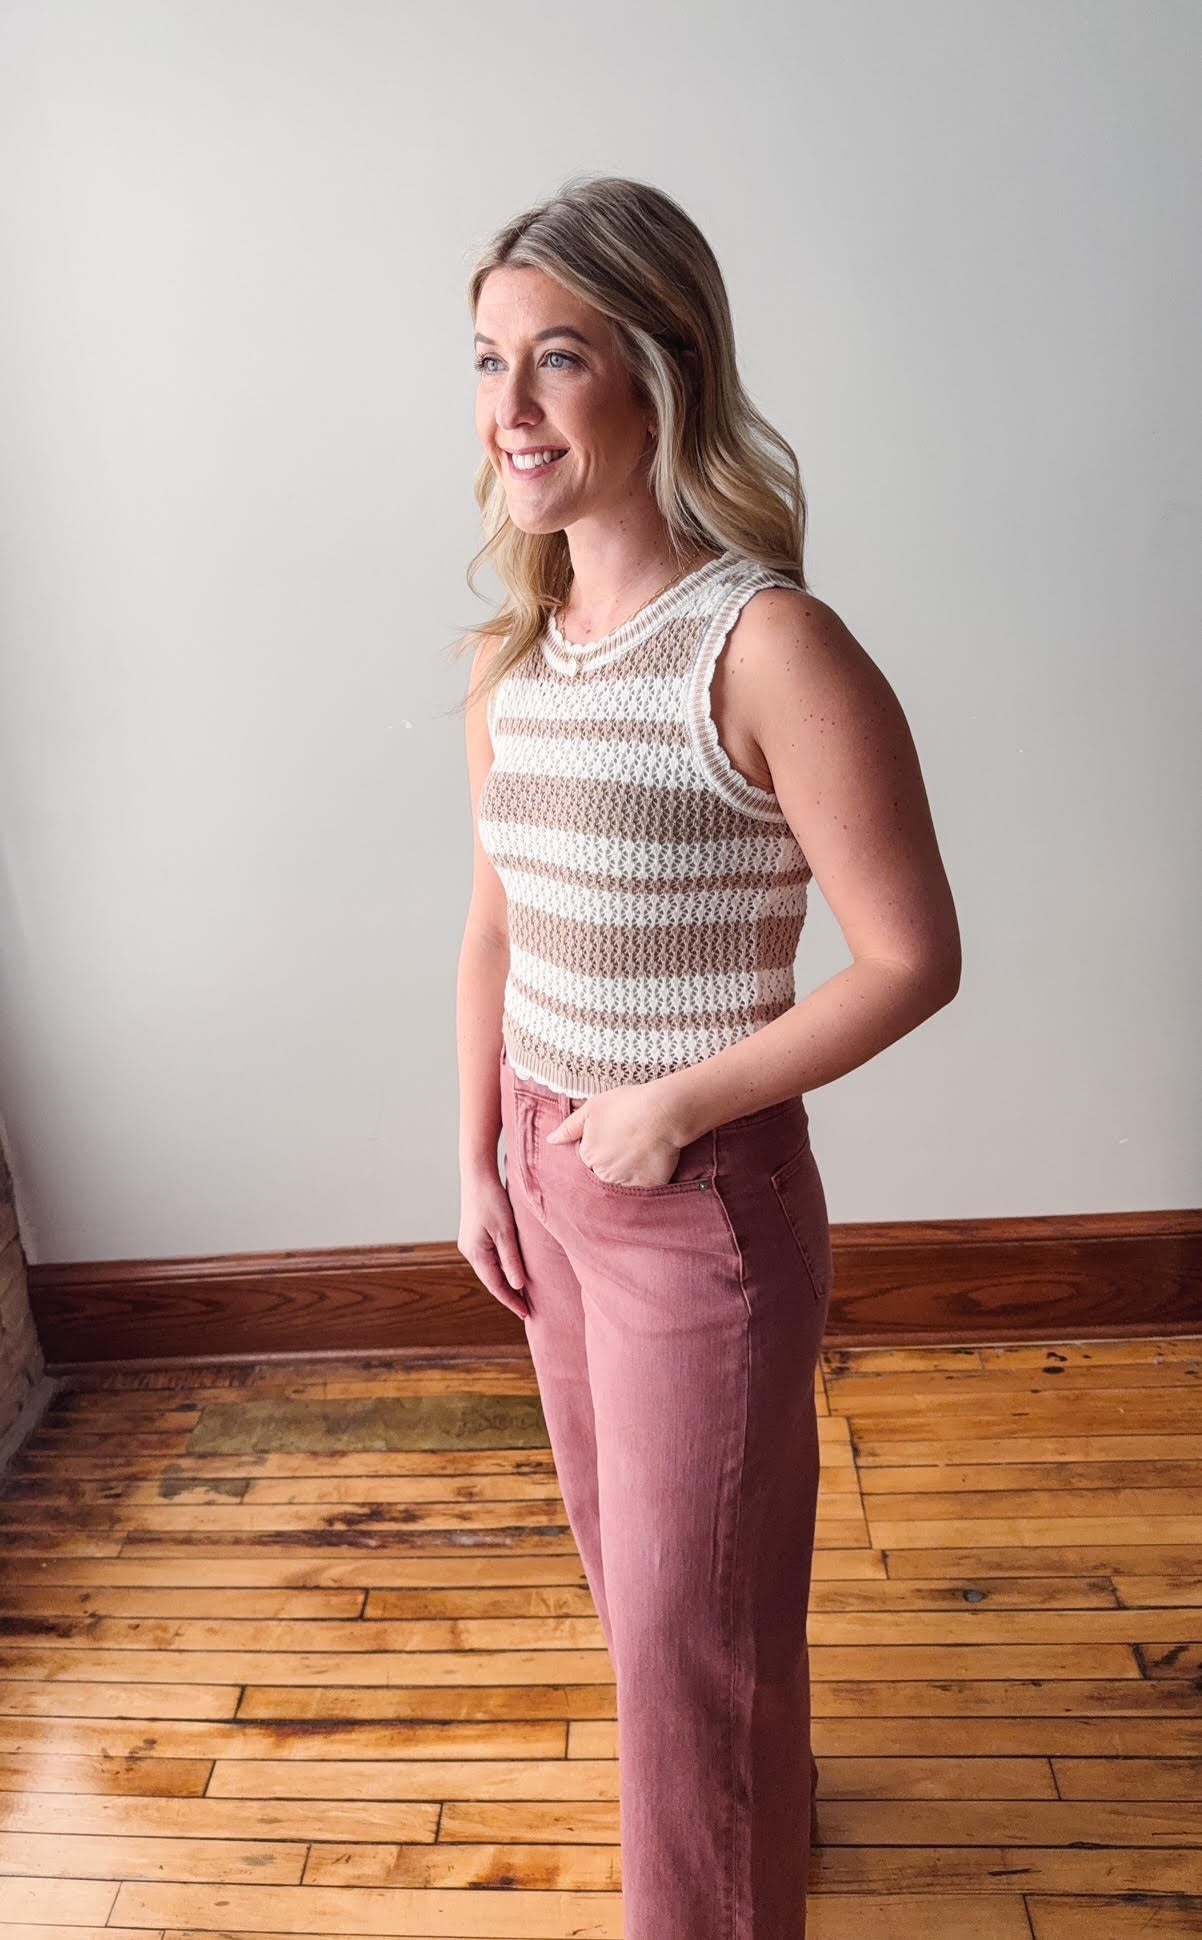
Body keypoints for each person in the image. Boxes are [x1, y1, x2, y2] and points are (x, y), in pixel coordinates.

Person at [453, 173, 961, 1940]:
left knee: (685, 1638)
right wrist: (475, 1160)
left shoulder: (766, 644)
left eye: (558, 360)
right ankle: (768, 1799)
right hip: (544, 1175)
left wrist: (666, 1110)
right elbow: (493, 928)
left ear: (663, 372)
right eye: (489, 361)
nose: (510, 411)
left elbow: (909, 960)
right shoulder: (515, 663)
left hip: (692, 1200)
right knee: (652, 1599)